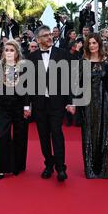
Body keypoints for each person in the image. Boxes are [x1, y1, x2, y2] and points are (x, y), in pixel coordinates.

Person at [27, 25, 75, 182]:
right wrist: (27, 105)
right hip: (40, 103)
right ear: (38, 39)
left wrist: (71, 102)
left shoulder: (62, 54)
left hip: (57, 103)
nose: (50, 37)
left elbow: (69, 80)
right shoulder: (31, 58)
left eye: (50, 35)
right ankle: (48, 164)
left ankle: (61, 167)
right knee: (43, 136)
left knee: (57, 133)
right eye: (45, 35)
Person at [78, 33, 108, 179]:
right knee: (89, 133)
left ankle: (105, 168)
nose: (92, 46)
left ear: (99, 44)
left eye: (94, 43)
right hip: (87, 102)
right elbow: (77, 84)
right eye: (90, 43)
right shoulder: (82, 62)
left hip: (103, 101)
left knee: (104, 132)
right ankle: (91, 169)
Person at [0, 40, 30, 180]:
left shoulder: (24, 67)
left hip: (19, 105)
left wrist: (27, 107)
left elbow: (28, 88)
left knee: (19, 135)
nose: (9, 52)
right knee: (3, 135)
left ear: (17, 52)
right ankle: (3, 168)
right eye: (6, 50)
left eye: (12, 50)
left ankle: (17, 165)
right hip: (3, 106)